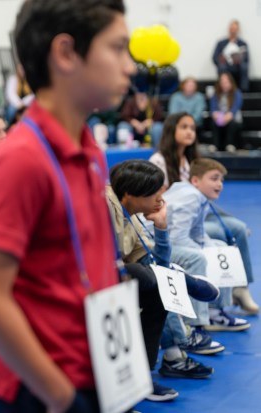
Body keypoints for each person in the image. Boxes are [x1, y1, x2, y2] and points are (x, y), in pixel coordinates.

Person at [0, 0, 137, 412]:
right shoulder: (22, 159)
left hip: (99, 368)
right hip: (42, 390)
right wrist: (60, 395)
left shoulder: (89, 148)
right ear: (65, 53)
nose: (130, 65)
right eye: (117, 48)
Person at [107, 160, 219, 392]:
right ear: (130, 194)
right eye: (155, 193)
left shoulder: (131, 212)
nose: (161, 199)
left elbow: (158, 262)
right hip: (96, 278)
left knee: (159, 288)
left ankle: (142, 378)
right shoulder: (105, 208)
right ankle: (187, 282)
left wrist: (161, 226)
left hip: (123, 274)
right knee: (141, 273)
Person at [151, 112, 258, 314]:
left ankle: (241, 287)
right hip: (176, 218)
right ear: (170, 130)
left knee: (239, 228)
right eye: (184, 127)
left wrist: (230, 220)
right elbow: (162, 201)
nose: (190, 132)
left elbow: (204, 202)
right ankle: (215, 298)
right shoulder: (159, 160)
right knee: (217, 237)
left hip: (197, 214)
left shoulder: (192, 160)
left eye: (192, 128)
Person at [163, 158, 250, 332]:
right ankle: (197, 322)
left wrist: (215, 251)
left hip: (169, 242)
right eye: (214, 178)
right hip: (155, 246)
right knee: (200, 257)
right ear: (195, 180)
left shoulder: (199, 197)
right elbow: (177, 238)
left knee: (220, 248)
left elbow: (197, 234)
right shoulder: (191, 196)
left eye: (221, 180)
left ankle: (216, 311)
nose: (220, 184)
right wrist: (208, 253)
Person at [210, 72, 243, 152]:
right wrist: (217, 116)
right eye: (222, 82)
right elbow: (213, 109)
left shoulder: (237, 93)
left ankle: (230, 144)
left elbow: (234, 109)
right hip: (220, 118)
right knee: (214, 123)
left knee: (231, 123)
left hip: (233, 119)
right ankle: (215, 145)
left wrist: (226, 117)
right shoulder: (216, 94)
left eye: (226, 82)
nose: (224, 84)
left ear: (231, 82)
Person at [213, 19, 249, 92]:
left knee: (244, 67)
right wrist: (222, 59)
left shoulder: (242, 44)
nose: (233, 30)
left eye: (235, 29)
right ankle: (223, 90)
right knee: (222, 67)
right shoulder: (221, 43)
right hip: (225, 66)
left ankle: (244, 91)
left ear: (238, 30)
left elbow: (246, 59)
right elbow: (214, 57)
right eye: (232, 28)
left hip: (238, 66)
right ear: (229, 29)